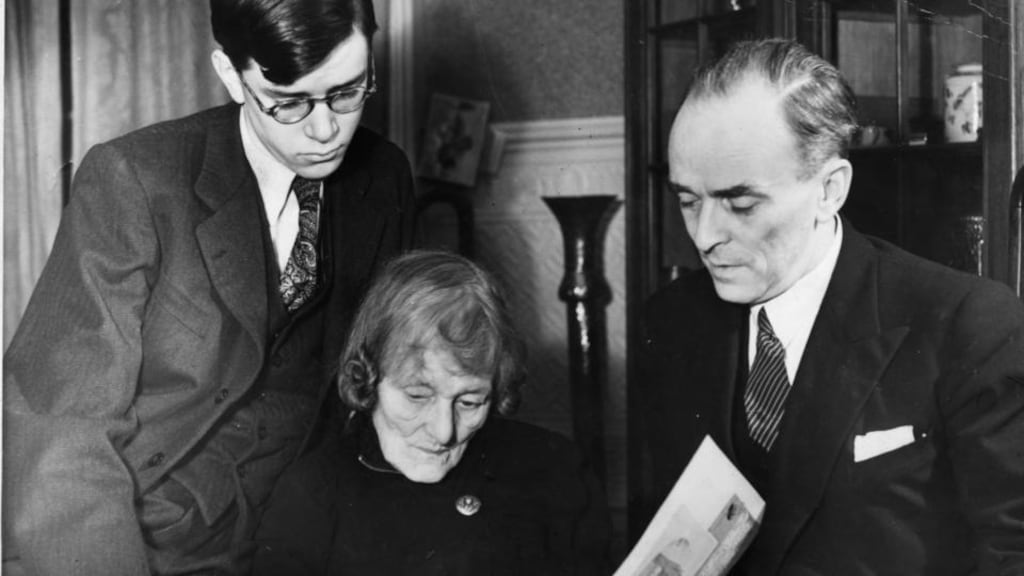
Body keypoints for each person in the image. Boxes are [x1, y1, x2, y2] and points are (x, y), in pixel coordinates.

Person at [2, 0, 415, 574]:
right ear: (230, 75)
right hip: (146, 532)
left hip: (300, 529)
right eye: (289, 103)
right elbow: (63, 426)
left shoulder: (384, 175)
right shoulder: (135, 179)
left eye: (347, 92)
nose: (325, 131)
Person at [639, 38, 1024, 575]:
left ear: (829, 190)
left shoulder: (965, 323)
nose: (704, 236)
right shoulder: (672, 322)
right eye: (687, 200)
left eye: (741, 203)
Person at [251, 250, 611, 575]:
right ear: (367, 377)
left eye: (470, 402)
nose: (444, 432)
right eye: (417, 396)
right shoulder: (313, 493)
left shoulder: (557, 472)